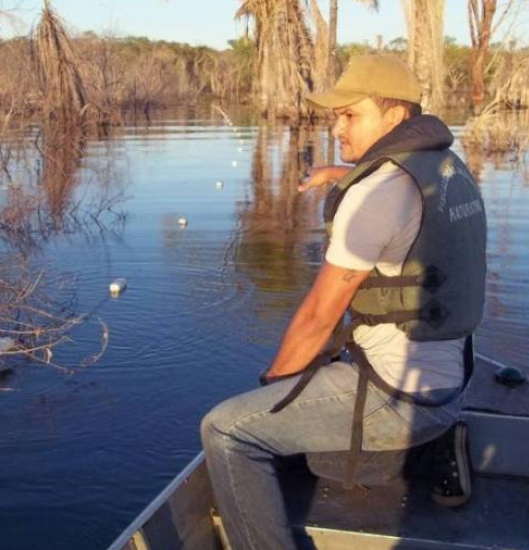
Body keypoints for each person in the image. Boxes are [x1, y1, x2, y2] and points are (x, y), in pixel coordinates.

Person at [200, 54, 487, 550]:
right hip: (451, 382)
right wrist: (341, 174)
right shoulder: (447, 169)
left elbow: (317, 317)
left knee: (229, 432)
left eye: (350, 115)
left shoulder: (376, 194)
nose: (336, 126)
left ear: (395, 118)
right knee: (320, 444)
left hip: (396, 397)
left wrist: (272, 388)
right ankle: (437, 443)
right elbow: (395, 199)